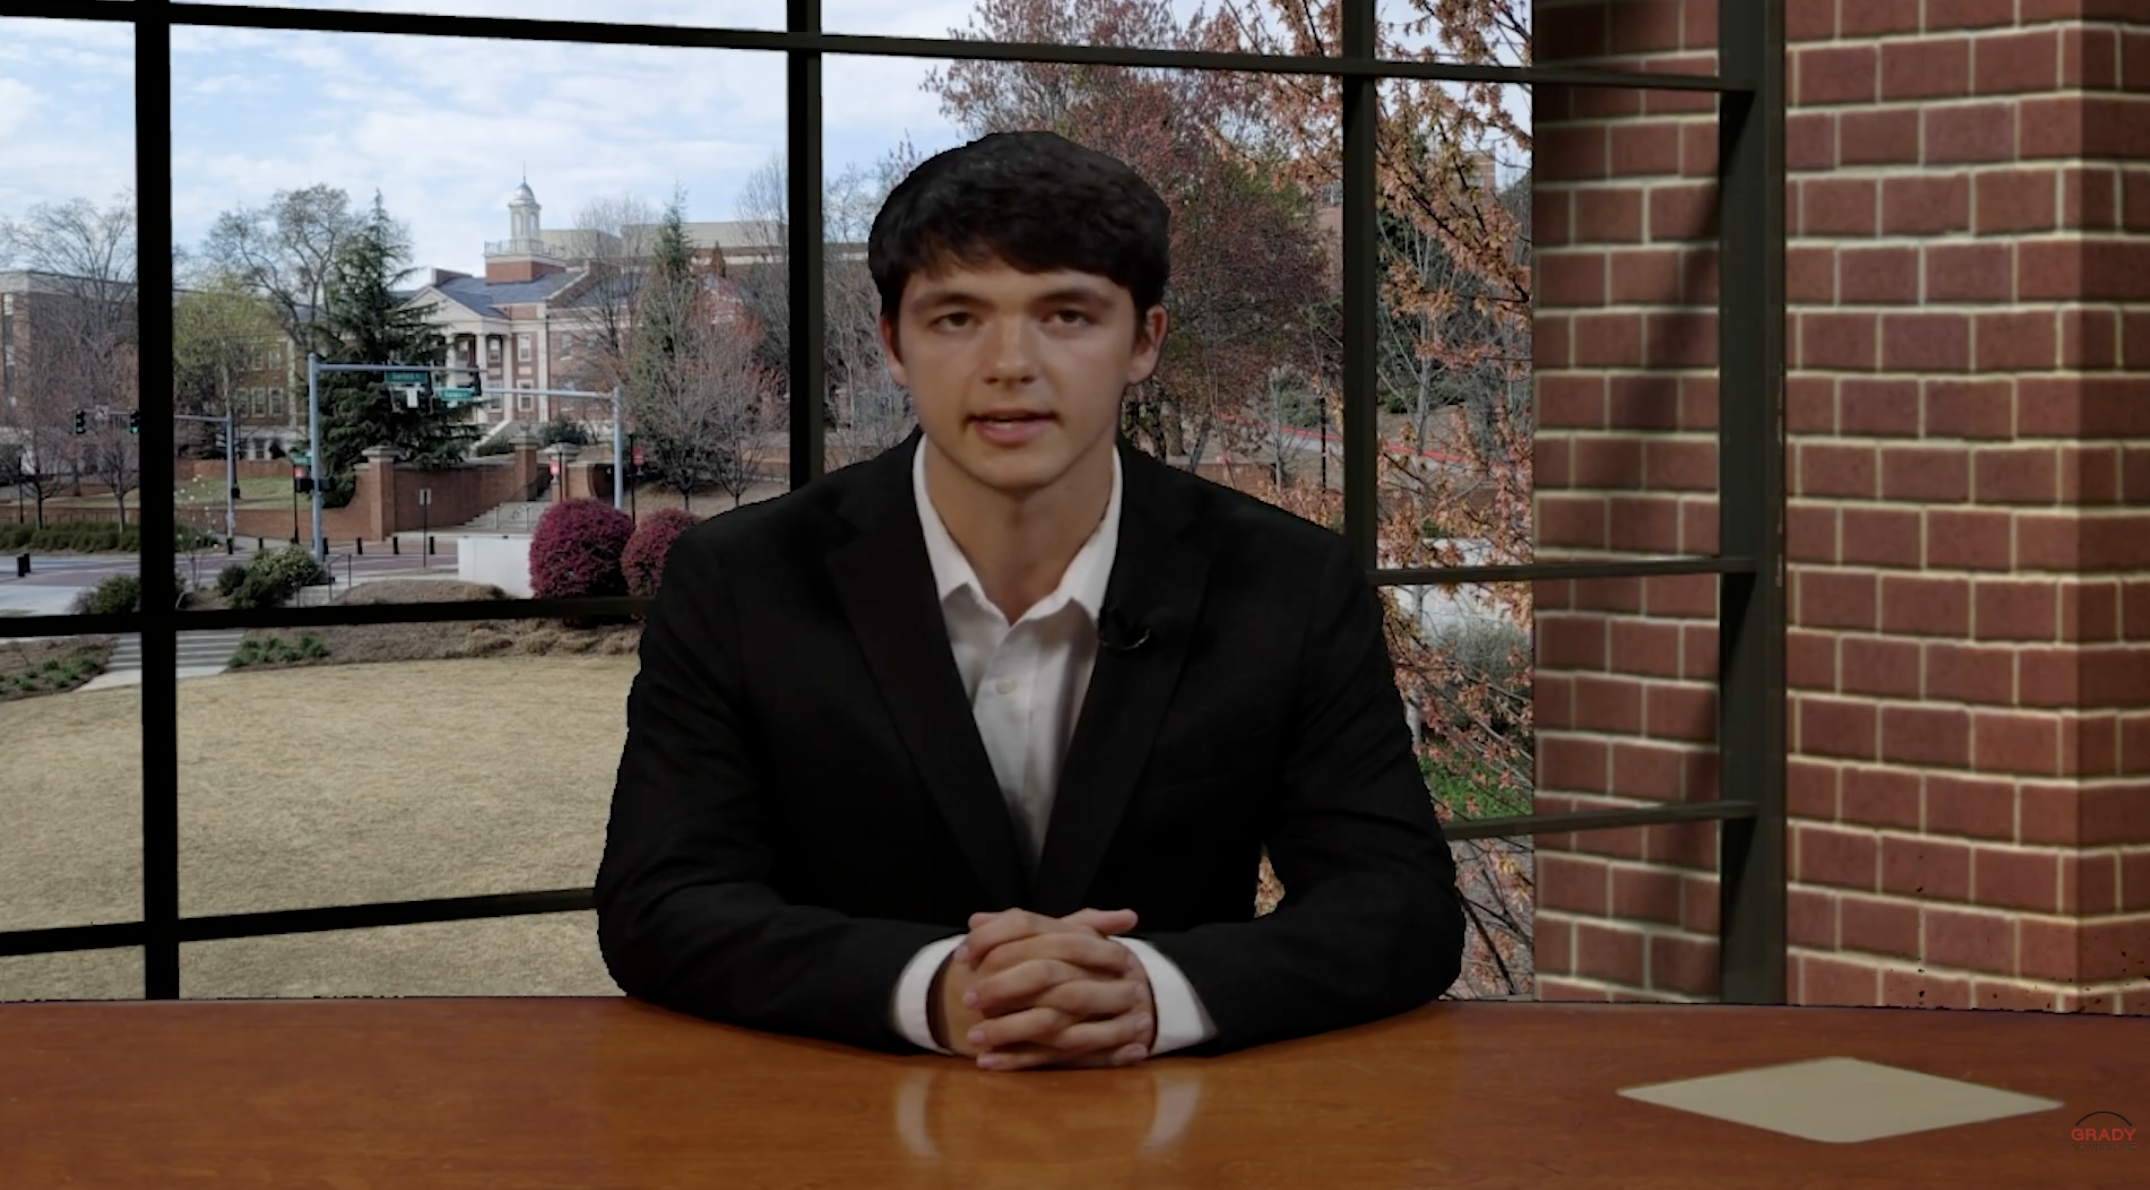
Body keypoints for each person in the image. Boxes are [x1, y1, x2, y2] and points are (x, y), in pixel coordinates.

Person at [595, 130, 1465, 1072]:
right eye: (958, 318)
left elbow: (1399, 906)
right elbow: (660, 900)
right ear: (892, 343)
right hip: (833, 1124)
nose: (1011, 364)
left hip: (1182, 1136)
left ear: (1145, 341)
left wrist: (1154, 993)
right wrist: (934, 988)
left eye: (1067, 315)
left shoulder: (1289, 582)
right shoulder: (740, 578)